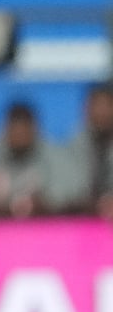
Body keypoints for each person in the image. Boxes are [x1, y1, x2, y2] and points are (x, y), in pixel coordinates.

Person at [0, 101, 69, 217]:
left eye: (25, 132)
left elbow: (64, 205)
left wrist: (41, 205)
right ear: (4, 130)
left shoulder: (54, 154)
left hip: (43, 229)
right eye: (15, 131)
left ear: (35, 131)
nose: (20, 137)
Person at [62, 82, 113, 218]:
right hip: (81, 220)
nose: (102, 112)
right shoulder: (72, 146)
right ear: (85, 109)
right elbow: (63, 194)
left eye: (108, 105)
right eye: (97, 105)